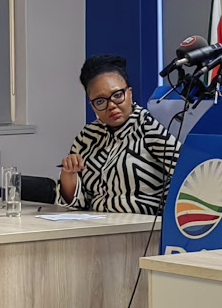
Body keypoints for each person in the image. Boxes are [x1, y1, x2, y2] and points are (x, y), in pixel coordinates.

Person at [57, 54, 181, 214]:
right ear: (92, 105)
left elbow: (186, 176)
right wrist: (68, 174)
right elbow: (76, 203)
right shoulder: (87, 137)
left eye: (117, 96)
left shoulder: (148, 127)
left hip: (142, 229)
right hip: (96, 226)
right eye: (100, 101)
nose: (111, 106)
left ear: (129, 93)